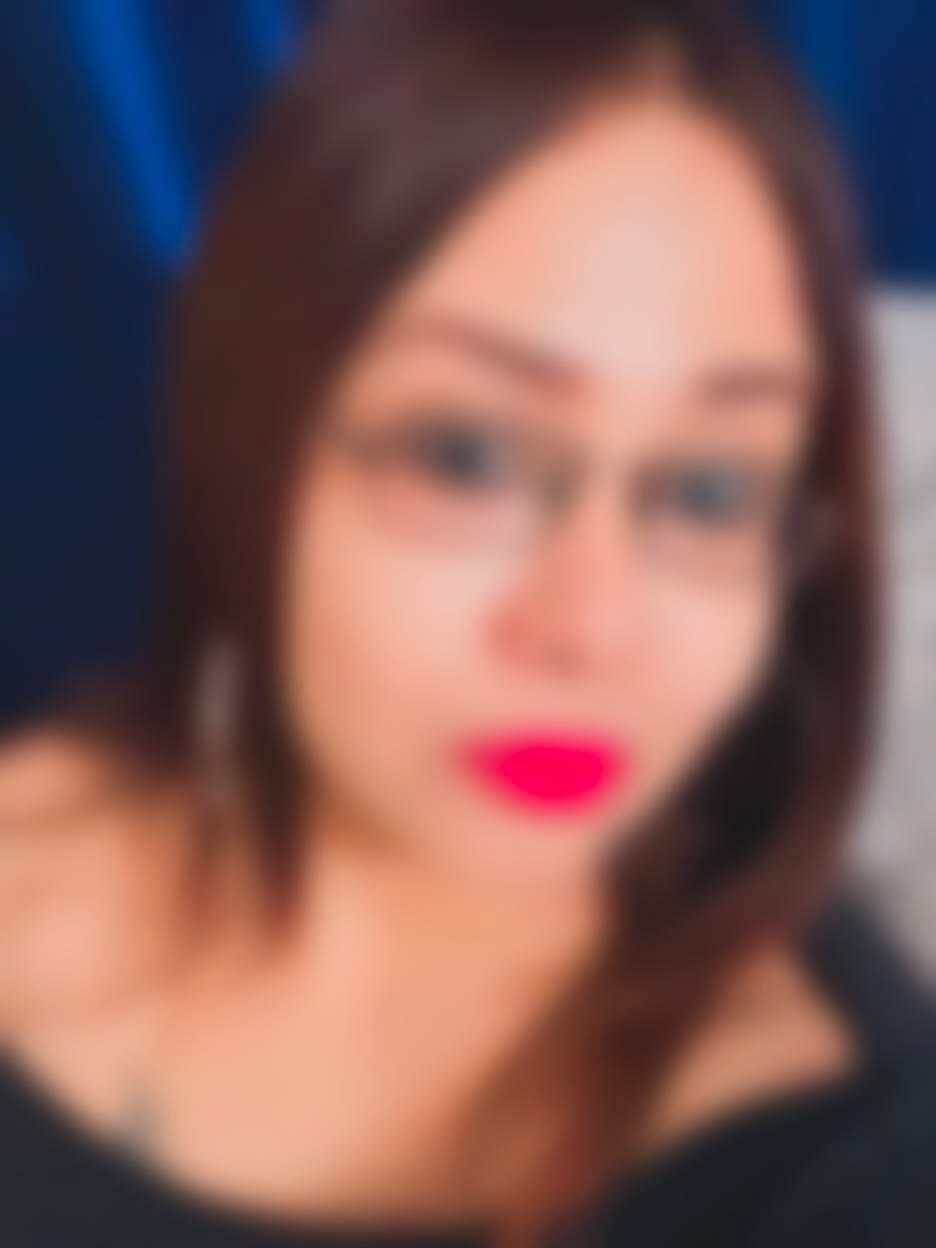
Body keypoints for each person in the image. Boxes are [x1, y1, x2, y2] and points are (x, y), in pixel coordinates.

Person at [1, 2, 934, 1246]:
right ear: (252, 442)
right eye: (465, 455)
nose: (592, 626)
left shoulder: (843, 1158)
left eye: (712, 491)